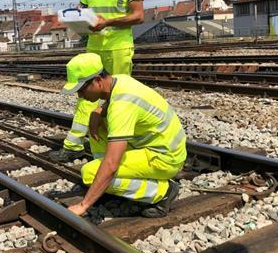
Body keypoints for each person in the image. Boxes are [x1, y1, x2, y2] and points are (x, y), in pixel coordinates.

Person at [49, 0, 144, 163]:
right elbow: (83, 8)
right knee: (85, 94)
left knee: (118, 98)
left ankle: (119, 146)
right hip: (93, 47)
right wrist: (74, 19)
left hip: (118, 47)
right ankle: (74, 145)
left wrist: (108, 21)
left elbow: (138, 16)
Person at [62, 53, 187, 218]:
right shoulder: (119, 80)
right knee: (99, 126)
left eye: (82, 89)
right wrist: (99, 111)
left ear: (98, 80)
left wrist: (83, 205)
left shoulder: (122, 107)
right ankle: (106, 186)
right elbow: (112, 100)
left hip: (164, 159)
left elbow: (112, 164)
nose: (80, 96)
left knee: (89, 173)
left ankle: (163, 192)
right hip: (163, 146)